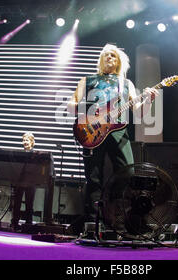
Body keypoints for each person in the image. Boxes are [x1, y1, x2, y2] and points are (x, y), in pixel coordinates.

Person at [67, 43, 158, 224]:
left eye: (114, 55)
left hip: (118, 132)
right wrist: (89, 113)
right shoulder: (87, 80)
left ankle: (116, 218)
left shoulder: (126, 84)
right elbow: (71, 106)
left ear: (119, 61)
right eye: (106, 55)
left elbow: (139, 113)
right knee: (93, 177)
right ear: (101, 59)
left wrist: (148, 100)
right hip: (91, 132)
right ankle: (93, 222)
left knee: (127, 172)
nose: (110, 57)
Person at [11, 132, 36, 230]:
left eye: (27, 140)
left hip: (31, 181)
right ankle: (15, 223)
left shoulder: (35, 155)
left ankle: (28, 225)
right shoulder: (19, 154)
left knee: (29, 204)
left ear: (32, 142)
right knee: (16, 203)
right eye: (24, 140)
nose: (25, 142)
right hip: (19, 181)